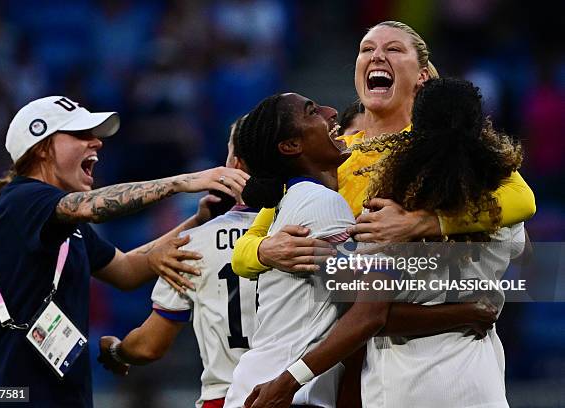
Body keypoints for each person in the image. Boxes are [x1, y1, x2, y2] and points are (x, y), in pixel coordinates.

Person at [243, 80, 524, 408]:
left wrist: (289, 380)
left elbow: (370, 314)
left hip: (399, 388)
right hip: (480, 385)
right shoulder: (502, 214)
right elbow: (522, 244)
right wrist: (468, 312)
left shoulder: (385, 211)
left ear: (413, 129)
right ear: (482, 128)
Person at [0, 96, 248, 408]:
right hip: (6, 397)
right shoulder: (22, 199)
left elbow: (127, 271)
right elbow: (92, 207)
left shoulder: (64, 222)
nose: (96, 142)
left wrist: (197, 222)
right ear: (42, 148)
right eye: (80, 134)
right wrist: (183, 182)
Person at [230, 20, 535, 278]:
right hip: (343, 331)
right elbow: (243, 252)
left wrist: (422, 223)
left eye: (393, 49)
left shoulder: (446, 143)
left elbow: (521, 199)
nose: (376, 56)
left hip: (418, 325)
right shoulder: (329, 153)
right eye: (366, 49)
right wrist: (265, 251)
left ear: (422, 75)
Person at [96, 116, 259, 408]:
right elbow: (360, 309)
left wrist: (118, 352)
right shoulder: (318, 229)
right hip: (304, 394)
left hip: (228, 398)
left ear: (234, 163)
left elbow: (148, 347)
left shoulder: (194, 243)